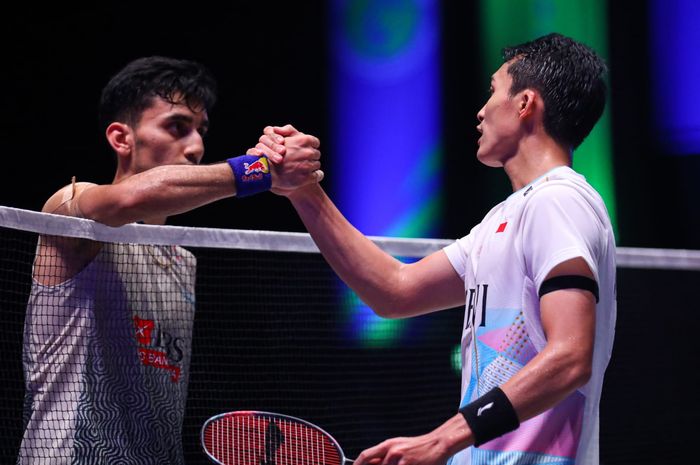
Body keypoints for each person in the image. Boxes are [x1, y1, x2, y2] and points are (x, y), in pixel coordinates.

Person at [254, 33, 616, 465]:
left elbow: (571, 357)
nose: (481, 111)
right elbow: (394, 290)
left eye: (494, 90)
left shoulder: (558, 200)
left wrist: (442, 439)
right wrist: (304, 193)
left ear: (525, 104)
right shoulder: (501, 221)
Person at [19, 56, 323, 464]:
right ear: (121, 138)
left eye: (201, 131)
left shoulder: (184, 262)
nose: (196, 147)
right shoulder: (71, 210)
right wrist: (260, 169)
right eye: (177, 127)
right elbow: (128, 198)